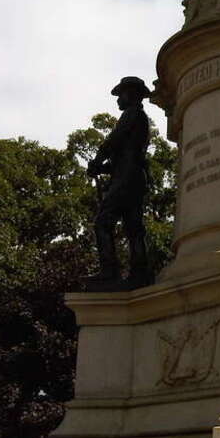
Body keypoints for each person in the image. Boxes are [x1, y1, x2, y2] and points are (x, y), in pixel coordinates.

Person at [85, 76, 152, 290]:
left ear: (131, 94)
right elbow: (124, 156)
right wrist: (103, 168)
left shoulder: (132, 114)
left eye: (120, 94)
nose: (117, 100)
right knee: (133, 227)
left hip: (127, 178)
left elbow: (114, 141)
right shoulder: (138, 117)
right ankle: (139, 272)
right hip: (132, 176)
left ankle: (109, 271)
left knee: (103, 222)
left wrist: (97, 160)